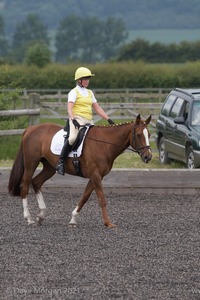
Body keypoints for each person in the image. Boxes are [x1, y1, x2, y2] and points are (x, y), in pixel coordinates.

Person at [56, 66, 115, 175]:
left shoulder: (90, 93)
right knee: (72, 138)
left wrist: (108, 118)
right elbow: (69, 108)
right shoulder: (73, 92)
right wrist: (73, 120)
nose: (87, 81)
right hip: (77, 119)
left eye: (88, 79)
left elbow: (97, 108)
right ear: (79, 80)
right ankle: (61, 162)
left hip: (89, 120)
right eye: (85, 79)